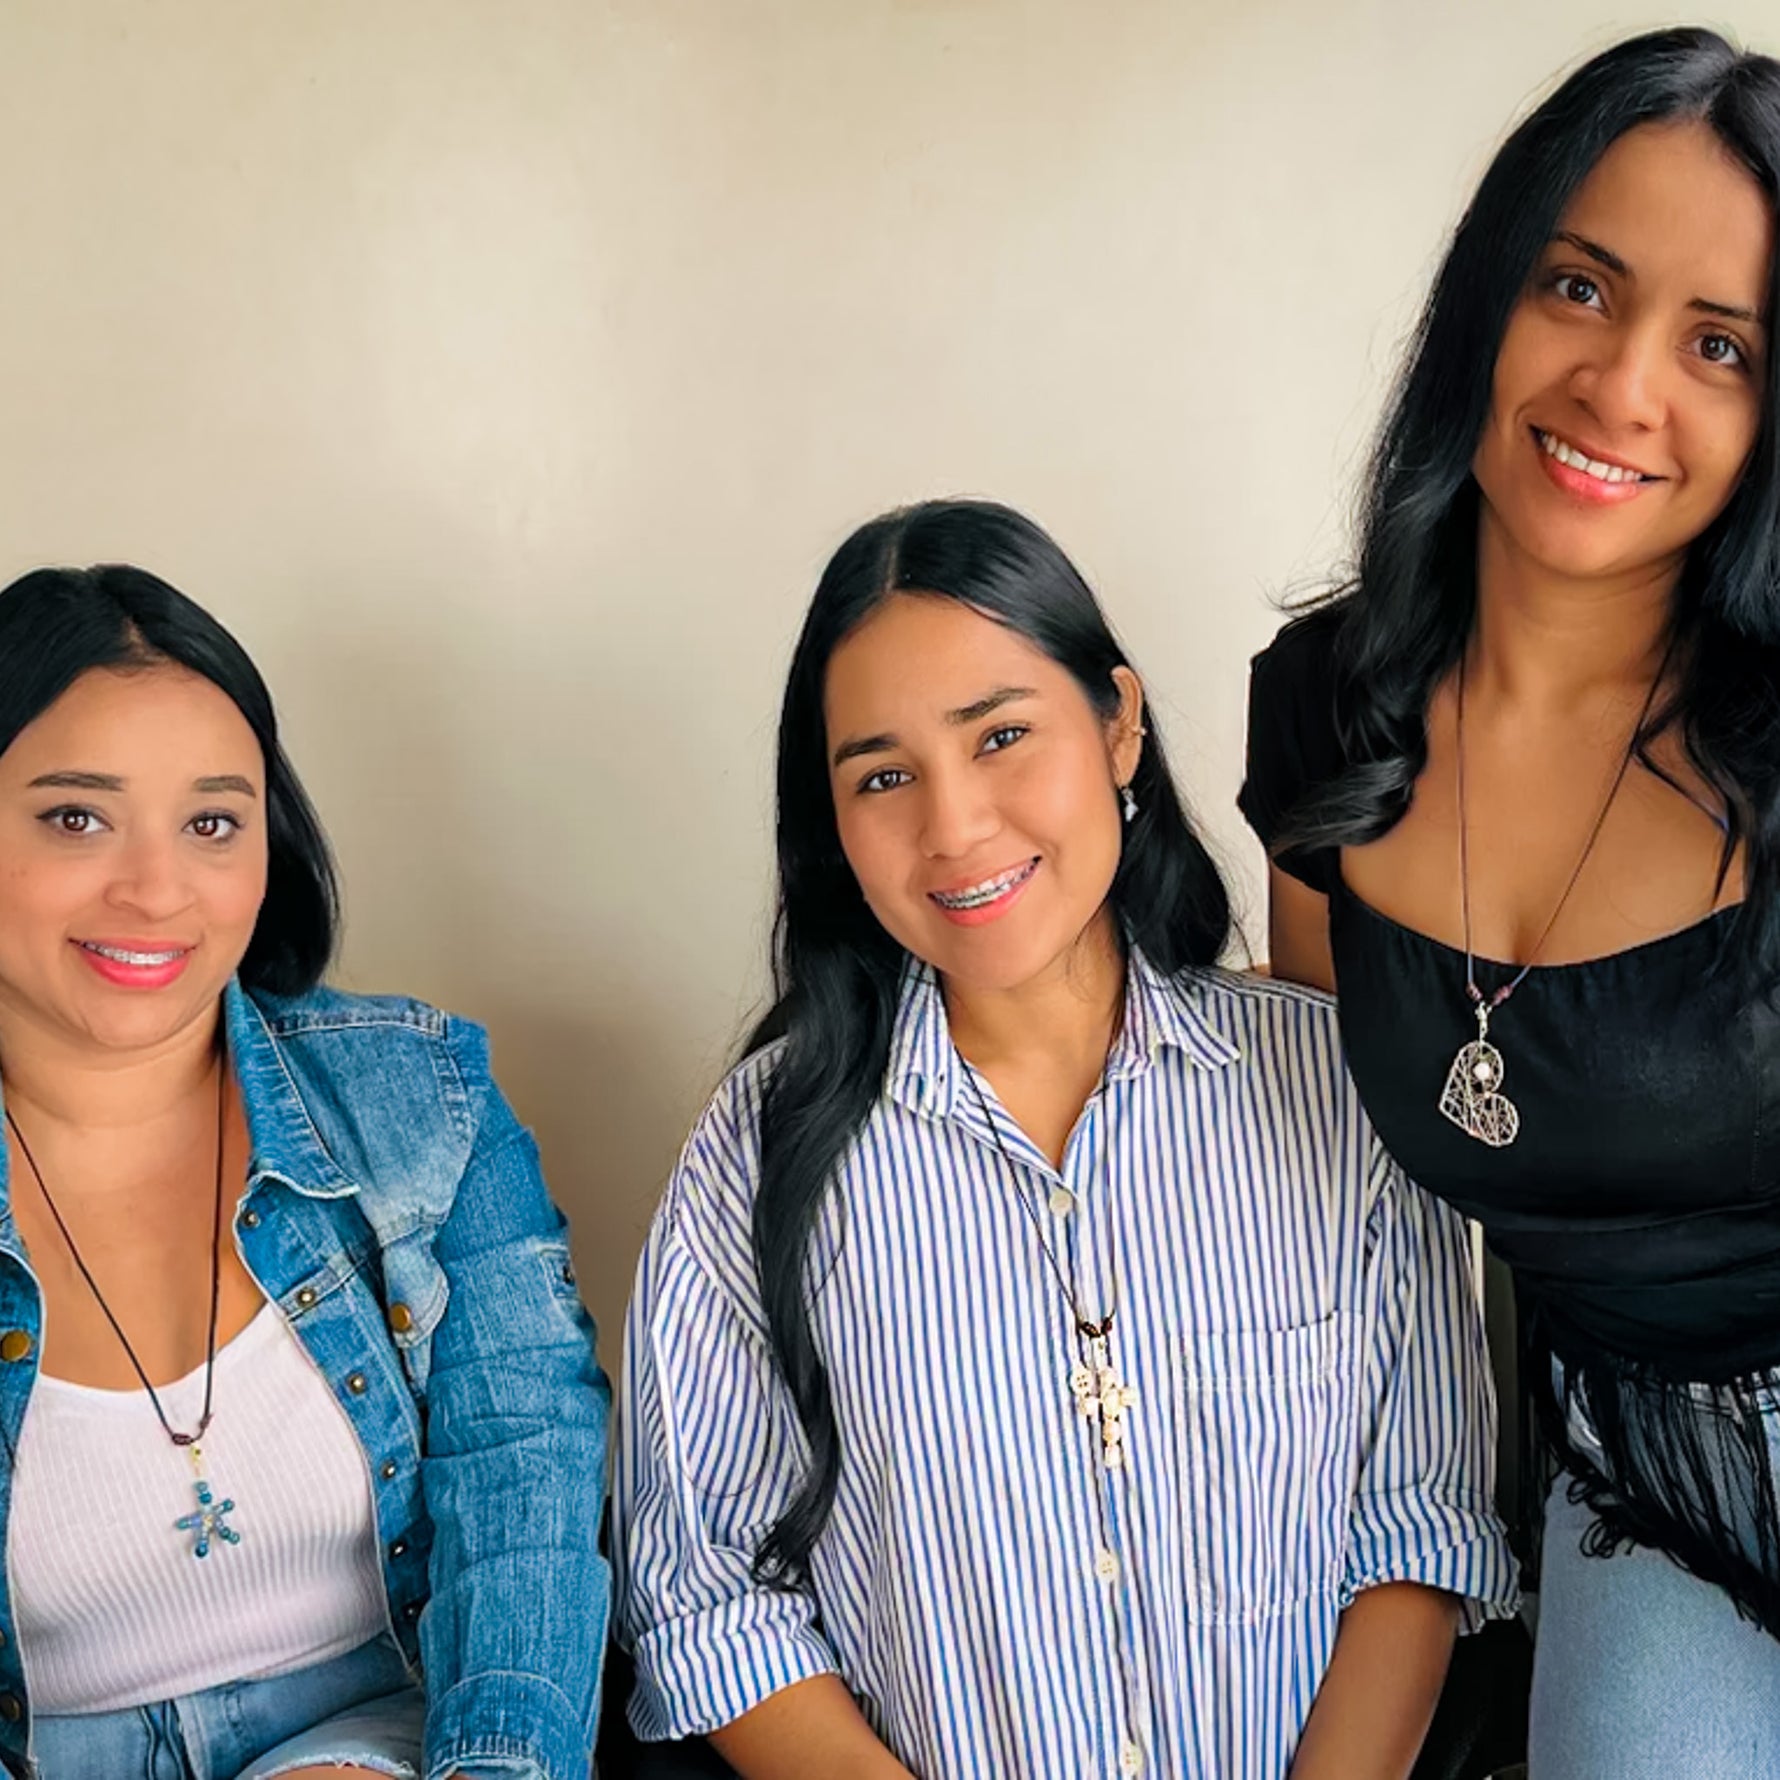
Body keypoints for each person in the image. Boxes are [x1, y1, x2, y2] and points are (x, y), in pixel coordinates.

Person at [612, 499, 1513, 1779]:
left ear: (1119, 723)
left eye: (1000, 736)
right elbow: (711, 1606)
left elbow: (1418, 1528)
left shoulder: (1331, 1087)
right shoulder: (758, 1155)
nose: (954, 825)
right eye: (882, 775)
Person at [1238, 26, 1780, 1778]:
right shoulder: (1329, 712)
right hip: (1639, 1467)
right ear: (1489, 299)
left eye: (1720, 346)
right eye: (1578, 285)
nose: (1626, 387)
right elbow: (1343, 1187)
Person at [0, 566, 610, 1780]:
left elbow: (525, 1500)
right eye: (77, 816)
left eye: (213, 821)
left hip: (390, 1741)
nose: (156, 888)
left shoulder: (423, 1102)